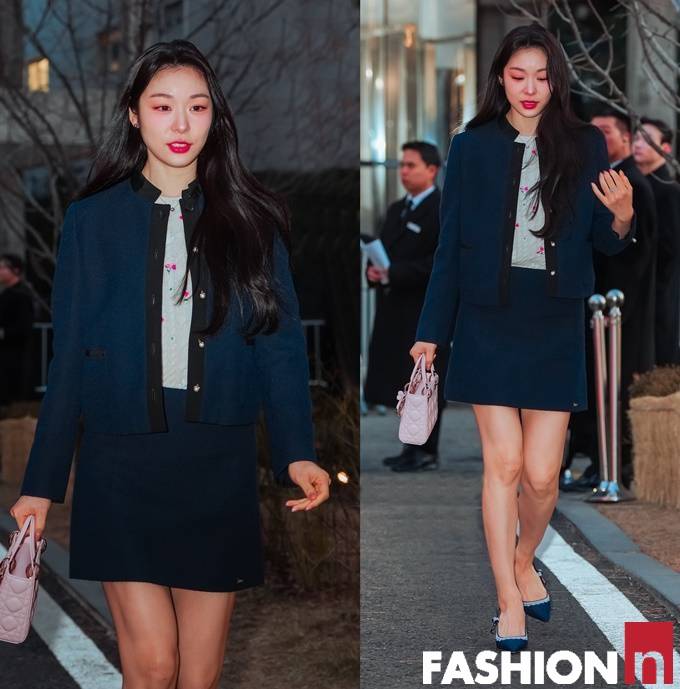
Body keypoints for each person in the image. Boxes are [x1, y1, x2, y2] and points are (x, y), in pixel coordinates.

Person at [10, 40, 330, 688]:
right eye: (162, 106)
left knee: (199, 676)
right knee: (154, 667)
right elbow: (69, 357)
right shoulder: (92, 221)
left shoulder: (254, 220)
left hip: (217, 461)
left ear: (216, 116)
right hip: (120, 461)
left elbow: (279, 345)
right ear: (134, 114)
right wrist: (41, 484)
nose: (181, 124)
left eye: (197, 107)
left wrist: (296, 451)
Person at [409, 23, 635, 651]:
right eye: (517, 75)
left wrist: (623, 216)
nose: (530, 88)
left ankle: (523, 558)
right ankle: (508, 598)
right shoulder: (471, 146)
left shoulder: (585, 143)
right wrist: (430, 332)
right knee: (504, 464)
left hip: (554, 320)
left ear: (556, 80)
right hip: (488, 319)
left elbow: (606, 241)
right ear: (500, 79)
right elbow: (450, 248)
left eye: (541, 76)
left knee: (541, 477)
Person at [563, 111, 657, 491]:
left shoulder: (632, 183)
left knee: (612, 391)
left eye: (605, 132)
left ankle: (612, 468)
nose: (597, 139)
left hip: (619, 311)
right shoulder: (600, 178)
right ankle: (598, 464)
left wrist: (618, 310)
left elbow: (639, 254)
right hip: (599, 306)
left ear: (624, 138)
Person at [364, 141, 450, 472]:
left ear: (432, 170)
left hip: (423, 307)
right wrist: (374, 272)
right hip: (394, 309)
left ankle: (426, 450)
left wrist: (395, 272)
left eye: (411, 165)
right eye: (402, 165)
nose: (404, 171)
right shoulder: (397, 209)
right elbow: (382, 251)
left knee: (425, 380)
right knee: (404, 380)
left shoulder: (441, 208)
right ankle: (410, 446)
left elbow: (439, 263)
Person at [632, 117, 680, 366]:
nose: (638, 144)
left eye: (648, 139)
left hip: (659, 293)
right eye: (637, 137)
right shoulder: (637, 183)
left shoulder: (669, 190)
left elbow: (669, 250)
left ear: (666, 148)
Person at [0, 254, 35, 407]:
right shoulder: (7, 293)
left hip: (16, 355)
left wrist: (3, 333)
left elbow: (23, 327)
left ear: (15, 270)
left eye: (2, 268)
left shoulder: (22, 294)